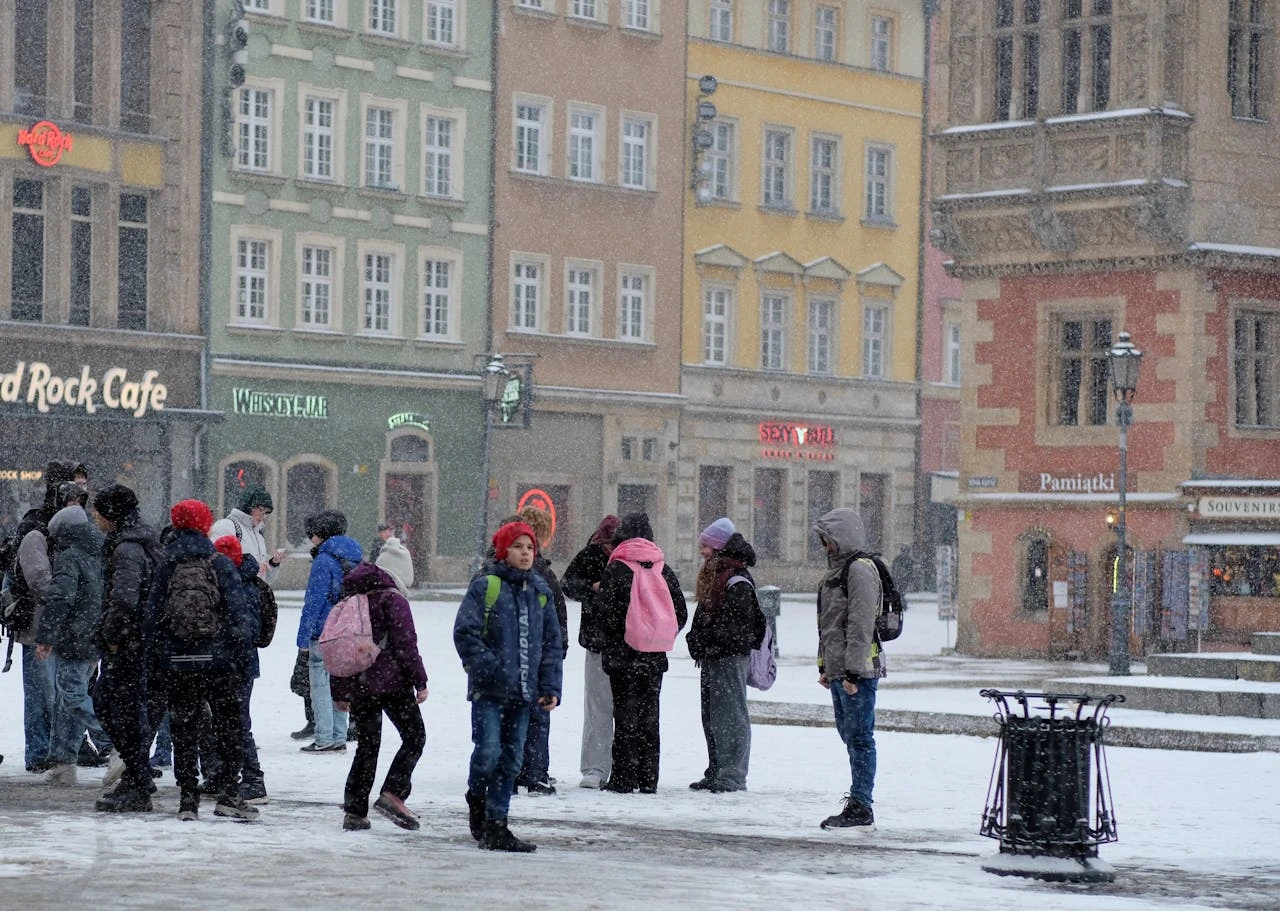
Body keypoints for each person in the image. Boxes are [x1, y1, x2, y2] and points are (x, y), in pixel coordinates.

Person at [454, 520, 563, 853]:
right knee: (488, 753)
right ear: (504, 551)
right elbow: (465, 633)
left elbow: (551, 645)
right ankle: (477, 797)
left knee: (513, 760)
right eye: (518, 547)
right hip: (489, 692)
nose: (526, 553)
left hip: (524, 695)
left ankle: (498, 823)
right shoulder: (486, 587)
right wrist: (491, 669)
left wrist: (550, 686)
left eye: (530, 547)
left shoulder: (541, 593)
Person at [148, 499, 258, 822]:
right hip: (218, 661)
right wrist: (240, 658)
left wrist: (158, 658)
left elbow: (152, 617)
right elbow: (239, 617)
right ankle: (227, 793)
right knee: (228, 725)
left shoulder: (166, 563)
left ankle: (187, 798)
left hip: (179, 661)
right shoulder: (219, 562)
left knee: (184, 727)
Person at [331, 562, 429, 832]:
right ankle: (393, 793)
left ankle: (355, 810)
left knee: (367, 745)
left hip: (360, 683)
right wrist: (420, 680)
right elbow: (406, 644)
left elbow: (338, 648)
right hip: (394, 684)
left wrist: (339, 690)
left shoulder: (350, 601)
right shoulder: (393, 599)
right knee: (415, 736)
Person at [596, 512, 686, 795]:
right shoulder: (662, 568)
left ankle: (623, 778)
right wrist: (657, 634)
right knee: (650, 717)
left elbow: (606, 614)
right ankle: (648, 779)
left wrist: (618, 638)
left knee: (624, 716)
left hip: (623, 656)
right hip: (654, 657)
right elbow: (680, 612)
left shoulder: (617, 567)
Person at [91, 483, 166, 813]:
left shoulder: (127, 549)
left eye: (98, 510)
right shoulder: (141, 541)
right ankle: (138, 777)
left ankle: (137, 781)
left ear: (111, 514)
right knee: (127, 710)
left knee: (112, 706)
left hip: (130, 645)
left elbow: (123, 599)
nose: (94, 516)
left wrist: (111, 637)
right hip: (144, 642)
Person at [814, 507, 887, 830]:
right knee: (850, 734)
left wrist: (854, 672)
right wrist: (826, 666)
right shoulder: (835, 572)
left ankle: (861, 804)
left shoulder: (858, 570)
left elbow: (861, 624)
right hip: (841, 670)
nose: (824, 546)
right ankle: (859, 801)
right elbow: (828, 625)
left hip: (859, 672)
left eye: (827, 540)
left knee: (860, 738)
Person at [11, 459, 80, 773]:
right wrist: (65, 601)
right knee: (43, 692)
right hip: (40, 624)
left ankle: (51, 749)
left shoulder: (58, 528)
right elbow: (39, 579)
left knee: (56, 691)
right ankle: (39, 751)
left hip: (55, 624)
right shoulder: (38, 530)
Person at [685, 519, 763, 794]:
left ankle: (732, 775)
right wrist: (697, 641)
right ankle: (717, 769)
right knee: (713, 716)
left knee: (731, 715)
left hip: (728, 658)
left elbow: (739, 626)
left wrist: (709, 641)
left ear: (718, 547)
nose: (702, 551)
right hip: (714, 656)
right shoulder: (719, 576)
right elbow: (706, 615)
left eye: (706, 545)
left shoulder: (736, 581)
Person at [34, 494, 106, 786]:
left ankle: (118, 743)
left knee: (73, 696)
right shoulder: (100, 551)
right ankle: (63, 763)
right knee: (66, 703)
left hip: (75, 638)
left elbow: (60, 597)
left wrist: (46, 636)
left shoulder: (69, 556)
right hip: (94, 637)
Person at [297, 509, 363, 754]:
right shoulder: (355, 556)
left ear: (321, 533)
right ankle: (338, 735)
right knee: (339, 683)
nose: (310, 537)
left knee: (320, 685)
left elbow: (313, 601)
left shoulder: (323, 560)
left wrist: (303, 637)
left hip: (324, 630)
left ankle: (324, 736)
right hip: (349, 628)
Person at [513, 505, 568, 796]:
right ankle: (534, 771)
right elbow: (556, 620)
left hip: (514, 658)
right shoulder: (542, 574)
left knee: (515, 716)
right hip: (532, 657)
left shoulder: (496, 570)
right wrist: (558, 651)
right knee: (537, 716)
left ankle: (516, 769)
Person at [561, 514, 618, 789]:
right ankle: (595, 768)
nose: (609, 547)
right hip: (598, 640)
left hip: (624, 643)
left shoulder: (631, 556)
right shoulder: (592, 554)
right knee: (598, 706)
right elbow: (568, 584)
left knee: (618, 708)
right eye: (606, 541)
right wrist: (591, 588)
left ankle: (615, 768)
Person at [212, 535, 270, 805]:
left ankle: (253, 779)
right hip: (236, 663)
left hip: (237, 665)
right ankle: (223, 774)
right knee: (223, 721)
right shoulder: (241, 582)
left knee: (237, 721)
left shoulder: (241, 586)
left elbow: (248, 630)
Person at [210, 485, 285, 584]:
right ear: (250, 506)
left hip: (254, 596)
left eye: (266, 513)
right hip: (237, 596)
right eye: (261, 510)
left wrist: (273, 563)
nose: (263, 516)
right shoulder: (226, 526)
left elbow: (263, 579)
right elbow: (216, 568)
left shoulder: (258, 534)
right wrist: (252, 568)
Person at [374, 526, 415, 594]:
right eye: (386, 531)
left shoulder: (382, 546)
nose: (388, 533)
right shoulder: (379, 544)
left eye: (389, 531)